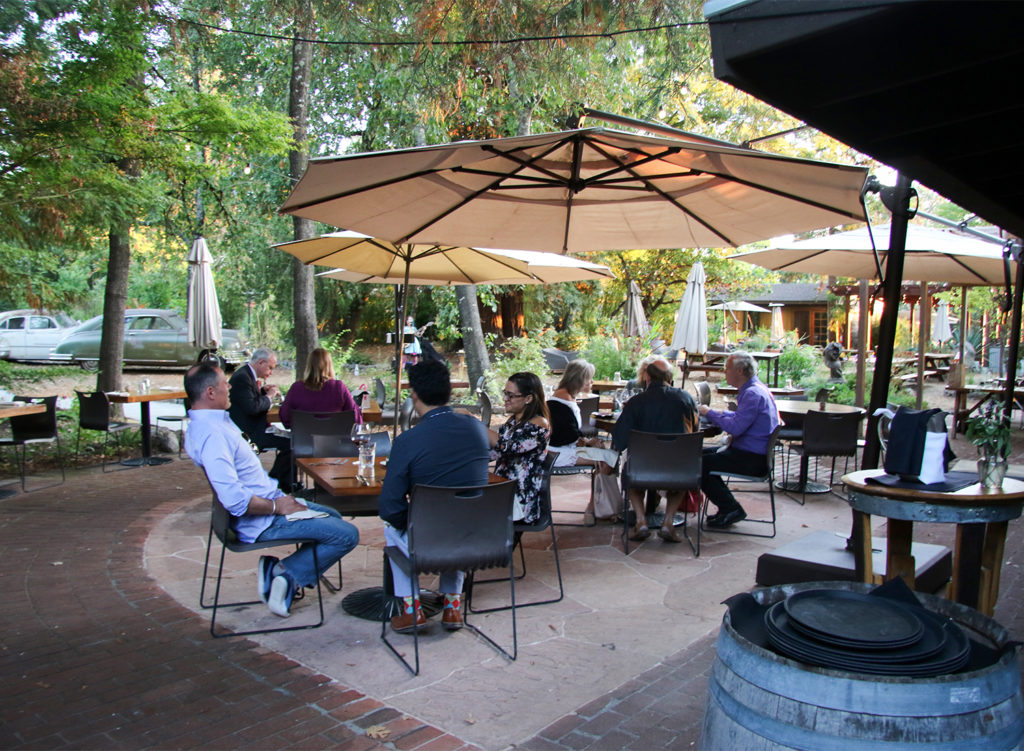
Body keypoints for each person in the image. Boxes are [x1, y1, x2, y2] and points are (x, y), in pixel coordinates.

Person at [184, 362, 359, 618]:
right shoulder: (212, 435)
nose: (230, 387)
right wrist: (278, 507)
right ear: (210, 392)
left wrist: (278, 501)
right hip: (264, 520)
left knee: (332, 517)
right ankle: (286, 574)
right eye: (225, 384)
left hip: (270, 504)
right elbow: (234, 500)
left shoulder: (210, 425)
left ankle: (279, 571)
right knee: (347, 535)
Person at [378, 360, 491, 634]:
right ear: (449, 392)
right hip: (476, 538)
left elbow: (389, 505)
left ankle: (411, 609)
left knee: (392, 525)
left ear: (414, 395)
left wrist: (411, 524)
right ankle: (452, 607)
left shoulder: (408, 440)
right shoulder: (477, 429)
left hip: (428, 540)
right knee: (457, 517)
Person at [612, 355, 700, 543]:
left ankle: (641, 521)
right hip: (680, 471)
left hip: (641, 471)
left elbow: (619, 437)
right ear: (669, 378)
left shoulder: (636, 402)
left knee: (630, 471)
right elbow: (696, 431)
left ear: (647, 378)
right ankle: (668, 522)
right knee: (681, 466)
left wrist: (611, 456)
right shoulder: (686, 398)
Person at [698, 351, 780, 528]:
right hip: (751, 453)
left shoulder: (752, 394)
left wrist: (708, 413)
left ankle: (731, 509)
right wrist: (722, 414)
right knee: (699, 455)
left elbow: (735, 428)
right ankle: (727, 508)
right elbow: (741, 418)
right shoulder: (755, 389)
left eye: (727, 369)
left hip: (752, 459)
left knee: (699, 464)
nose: (724, 372)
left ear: (740, 371)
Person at [228, 347, 294, 491]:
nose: (270, 372)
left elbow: (248, 400)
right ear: (261, 362)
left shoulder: (245, 375)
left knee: (293, 441)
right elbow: (252, 407)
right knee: (293, 444)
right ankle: (277, 482)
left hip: (252, 428)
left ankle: (284, 482)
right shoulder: (242, 378)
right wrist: (269, 396)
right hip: (250, 433)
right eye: (270, 368)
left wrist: (262, 392)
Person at [489, 372, 550, 525]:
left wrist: (473, 422)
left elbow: (507, 447)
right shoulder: (512, 422)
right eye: (505, 394)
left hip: (520, 497)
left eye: (510, 395)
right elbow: (494, 454)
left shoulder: (539, 425)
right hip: (503, 490)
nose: (505, 399)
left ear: (529, 398)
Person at [278, 347, 363, 428]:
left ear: (308, 365)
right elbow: (356, 420)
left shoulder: (296, 388)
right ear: (329, 365)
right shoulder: (338, 387)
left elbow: (285, 419)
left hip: (303, 441)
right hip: (335, 442)